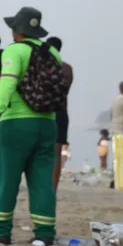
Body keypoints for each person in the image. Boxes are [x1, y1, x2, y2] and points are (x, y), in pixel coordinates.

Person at [0, 8, 61, 246]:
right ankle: (45, 233)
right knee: (42, 180)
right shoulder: (53, 54)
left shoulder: (14, 50)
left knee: (7, 177)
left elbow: (7, 84)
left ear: (16, 30)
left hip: (16, 123)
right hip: (47, 123)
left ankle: (1, 231)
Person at [47, 37, 72, 192]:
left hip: (47, 111)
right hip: (62, 110)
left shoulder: (45, 67)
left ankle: (43, 185)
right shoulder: (67, 68)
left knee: (42, 151)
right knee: (56, 153)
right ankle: (53, 188)